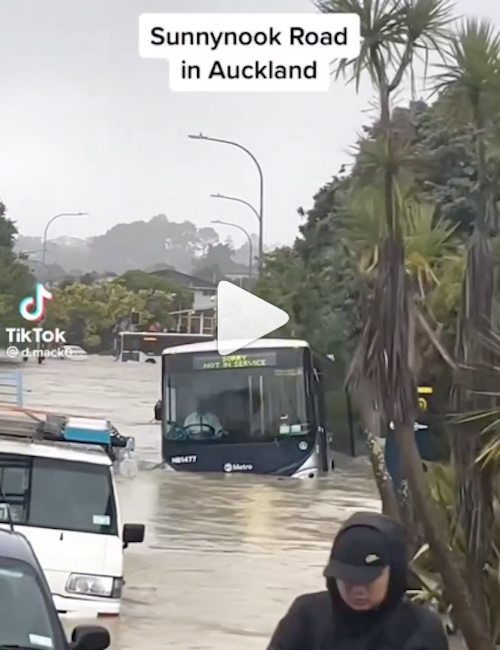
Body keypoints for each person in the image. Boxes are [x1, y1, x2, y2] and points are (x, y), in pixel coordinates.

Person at [267, 511, 448, 650]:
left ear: (393, 572)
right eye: (348, 579)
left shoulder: (421, 629)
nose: (357, 590)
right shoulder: (306, 617)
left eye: (368, 580)